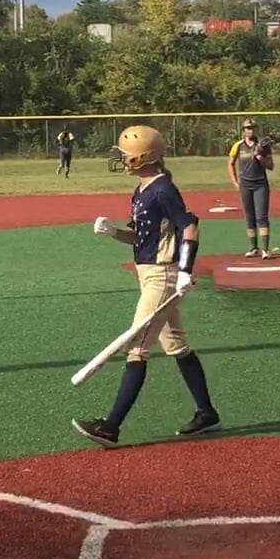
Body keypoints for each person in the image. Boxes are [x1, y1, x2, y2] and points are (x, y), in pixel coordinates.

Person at [72, 124, 220, 448]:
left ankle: (110, 427)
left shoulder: (163, 190)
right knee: (177, 345)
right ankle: (206, 412)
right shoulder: (142, 190)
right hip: (149, 273)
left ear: (143, 157)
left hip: (163, 276)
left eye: (126, 155)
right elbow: (140, 239)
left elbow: (189, 228)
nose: (122, 159)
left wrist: (185, 271)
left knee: (137, 349)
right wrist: (113, 232)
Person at [228, 119, 276, 258]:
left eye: (253, 128)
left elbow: (271, 166)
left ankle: (265, 249)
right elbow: (230, 163)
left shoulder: (262, 145)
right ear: (243, 130)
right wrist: (235, 182)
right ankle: (254, 248)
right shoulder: (238, 146)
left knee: (262, 216)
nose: (251, 130)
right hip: (245, 185)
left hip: (260, 184)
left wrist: (259, 157)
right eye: (248, 128)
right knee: (250, 217)